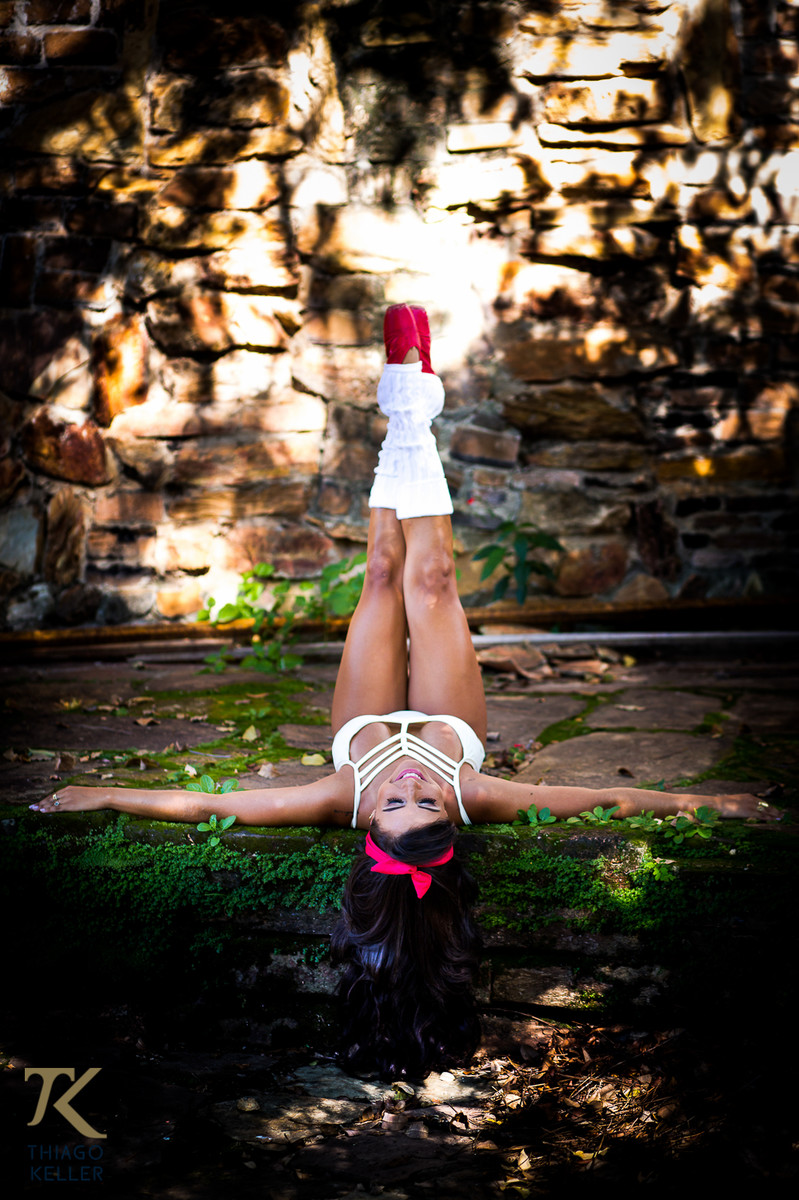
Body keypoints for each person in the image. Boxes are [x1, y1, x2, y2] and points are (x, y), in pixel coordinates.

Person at [30, 304, 779, 1078]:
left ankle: (405, 401)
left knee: (383, 572)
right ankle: (408, 402)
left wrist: (103, 792)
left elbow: (208, 808)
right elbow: (605, 802)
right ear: (452, 812)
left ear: (368, 823)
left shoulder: (341, 795)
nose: (412, 784)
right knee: (432, 579)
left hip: (366, 721)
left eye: (398, 804)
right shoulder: (472, 792)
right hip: (451, 718)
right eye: (427, 801)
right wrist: (711, 804)